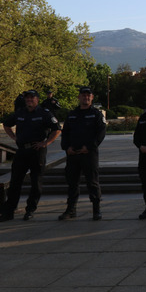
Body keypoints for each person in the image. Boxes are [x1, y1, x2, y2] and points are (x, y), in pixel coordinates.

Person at [0, 90, 61, 222]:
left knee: (36, 182)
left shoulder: (44, 113)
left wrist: (46, 143)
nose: (29, 100)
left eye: (32, 98)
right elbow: (7, 124)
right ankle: (9, 211)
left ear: (37, 99)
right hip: (22, 151)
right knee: (15, 182)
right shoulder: (20, 112)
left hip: (37, 151)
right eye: (27, 98)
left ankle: (30, 209)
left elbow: (57, 129)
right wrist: (14, 137)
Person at [58, 86, 107, 221]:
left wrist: (90, 147)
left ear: (91, 97)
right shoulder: (72, 114)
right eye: (83, 95)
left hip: (89, 154)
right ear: (79, 97)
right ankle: (71, 209)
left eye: (88, 95)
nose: (85, 97)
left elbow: (101, 133)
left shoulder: (96, 114)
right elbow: (65, 133)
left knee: (92, 182)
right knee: (72, 183)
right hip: (73, 154)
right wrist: (66, 147)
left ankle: (96, 210)